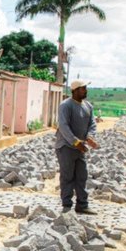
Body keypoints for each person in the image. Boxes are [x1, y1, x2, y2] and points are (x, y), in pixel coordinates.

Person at [55, 79, 98, 214]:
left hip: (80, 147)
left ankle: (82, 205)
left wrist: (90, 136)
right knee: (67, 176)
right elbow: (63, 126)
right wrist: (75, 142)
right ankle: (67, 205)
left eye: (85, 88)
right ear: (75, 90)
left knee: (81, 175)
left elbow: (92, 124)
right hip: (66, 146)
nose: (86, 90)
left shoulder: (88, 106)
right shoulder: (66, 105)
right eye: (83, 88)